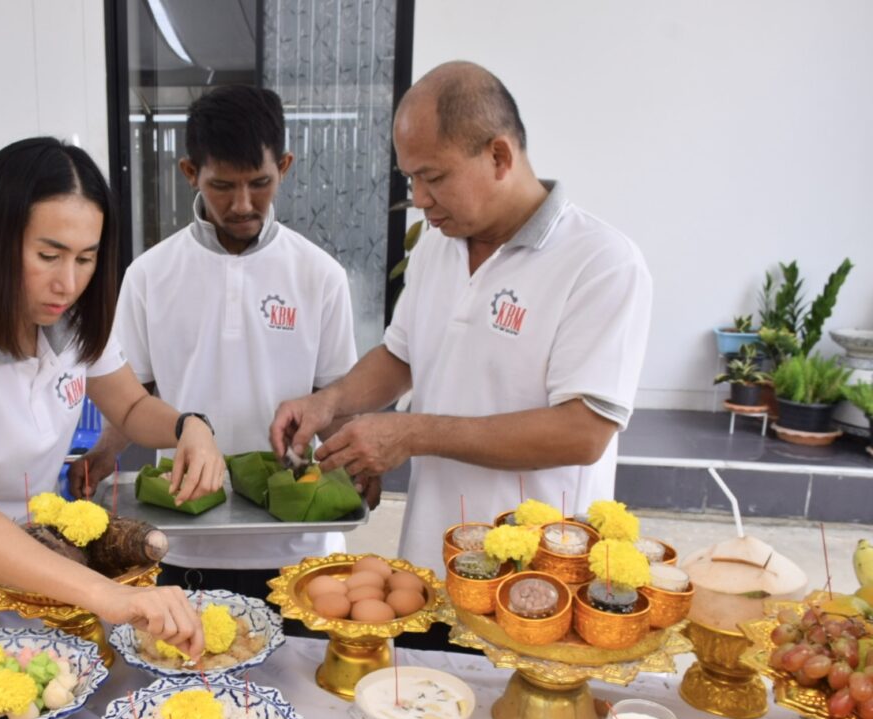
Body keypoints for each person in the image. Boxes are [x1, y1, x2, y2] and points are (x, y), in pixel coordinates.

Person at [270, 61, 653, 576]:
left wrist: (412, 434)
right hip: (431, 552)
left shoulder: (600, 263)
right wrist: (328, 402)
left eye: (434, 177)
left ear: (499, 156)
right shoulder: (437, 247)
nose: (419, 199)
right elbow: (401, 356)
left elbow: (583, 433)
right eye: (411, 178)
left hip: (534, 575)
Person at [0, 138, 226, 657]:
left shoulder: (72, 322)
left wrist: (189, 426)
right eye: (48, 256)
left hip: (29, 551)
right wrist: (107, 594)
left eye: (86, 259)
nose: (68, 283)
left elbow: (130, 407)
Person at [71, 85, 360, 598]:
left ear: (284, 167)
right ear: (190, 173)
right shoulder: (150, 275)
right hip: (181, 541)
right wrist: (101, 455)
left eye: (260, 183)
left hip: (297, 543)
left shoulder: (320, 276)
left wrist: (358, 460)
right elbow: (134, 396)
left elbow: (336, 402)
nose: (243, 204)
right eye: (222, 186)